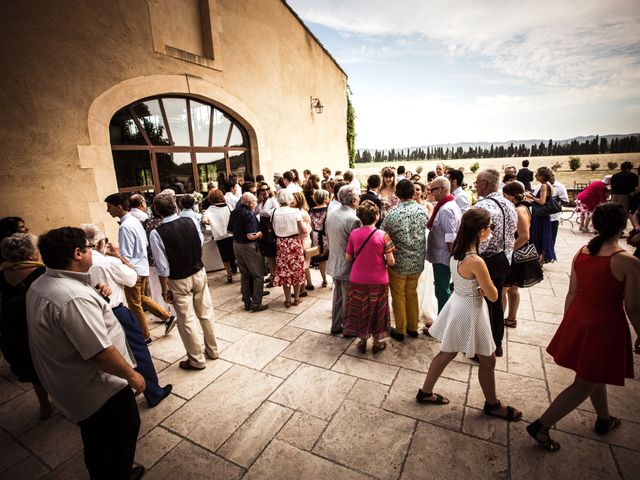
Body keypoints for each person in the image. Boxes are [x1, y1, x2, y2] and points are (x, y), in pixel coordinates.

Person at [27, 227, 146, 480]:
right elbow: (99, 352)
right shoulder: (73, 297)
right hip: (100, 388)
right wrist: (132, 376)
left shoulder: (43, 283)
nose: (93, 250)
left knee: (96, 439)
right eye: (89, 247)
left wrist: (95, 292)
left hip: (73, 386)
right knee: (122, 432)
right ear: (77, 253)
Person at [527, 203, 640, 452]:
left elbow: (571, 293)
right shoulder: (628, 261)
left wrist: (569, 323)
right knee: (584, 382)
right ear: (623, 226)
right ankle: (542, 426)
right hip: (604, 325)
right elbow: (633, 307)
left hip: (581, 317)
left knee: (594, 374)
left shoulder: (582, 252)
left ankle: (604, 418)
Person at [417, 209, 523, 423]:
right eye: (490, 227)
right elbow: (493, 296)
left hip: (459, 302)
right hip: (471, 308)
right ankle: (492, 404)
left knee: (449, 352)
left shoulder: (458, 249)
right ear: (481, 231)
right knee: (487, 358)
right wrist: (488, 287)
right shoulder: (475, 260)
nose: (491, 231)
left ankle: (426, 391)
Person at [81, 223, 173, 408]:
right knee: (138, 351)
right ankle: (153, 392)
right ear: (100, 243)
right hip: (115, 311)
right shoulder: (108, 262)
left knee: (112, 353)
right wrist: (119, 256)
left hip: (91, 314)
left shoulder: (79, 265)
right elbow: (133, 278)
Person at [149, 193, 219, 370]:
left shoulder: (157, 233)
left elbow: (162, 267)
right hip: (198, 271)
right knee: (206, 313)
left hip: (178, 278)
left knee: (186, 320)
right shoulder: (190, 221)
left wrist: (165, 290)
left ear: (157, 211)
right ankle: (213, 350)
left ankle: (196, 360)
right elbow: (200, 242)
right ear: (175, 205)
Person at [105, 193, 174, 342]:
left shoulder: (125, 226)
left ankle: (145, 336)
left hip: (134, 270)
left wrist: (114, 254)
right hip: (141, 267)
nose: (107, 210)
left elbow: (126, 255)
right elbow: (145, 244)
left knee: (134, 304)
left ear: (119, 207)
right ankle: (167, 317)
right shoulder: (135, 220)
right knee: (141, 298)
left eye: (109, 207)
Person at [0, 233, 54, 419]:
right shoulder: (42, 274)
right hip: (39, 327)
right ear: (31, 254)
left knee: (33, 369)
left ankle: (44, 405)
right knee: (51, 365)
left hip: (15, 330)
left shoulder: (3, 273)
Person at [474, 169, 517, 358]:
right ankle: (497, 344)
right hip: (504, 260)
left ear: (484, 183)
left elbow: (481, 240)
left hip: (487, 262)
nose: (475, 186)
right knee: (496, 301)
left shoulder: (483, 206)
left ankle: (483, 349)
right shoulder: (509, 204)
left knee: (482, 306)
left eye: (476, 182)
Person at [344, 200, 395, 353]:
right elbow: (391, 261)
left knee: (360, 308)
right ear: (377, 216)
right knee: (379, 310)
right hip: (378, 280)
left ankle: (362, 340)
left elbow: (348, 258)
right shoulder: (383, 235)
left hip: (357, 278)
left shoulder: (354, 234)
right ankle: (377, 342)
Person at [381, 179, 428, 341]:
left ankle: (400, 329)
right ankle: (413, 327)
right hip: (417, 260)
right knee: (412, 293)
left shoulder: (392, 214)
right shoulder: (422, 211)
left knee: (398, 295)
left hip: (398, 262)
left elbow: (382, 235)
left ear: (397, 194)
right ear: (413, 193)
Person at [501, 182, 543, 328]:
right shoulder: (525, 206)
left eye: (505, 195)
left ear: (512, 196)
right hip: (519, 253)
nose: (504, 198)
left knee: (503, 290)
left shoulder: (519, 210)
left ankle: (499, 321)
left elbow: (524, 236)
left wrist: (508, 251)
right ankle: (511, 319)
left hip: (517, 255)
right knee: (513, 289)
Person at [326, 185, 362, 334]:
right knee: (348, 298)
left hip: (334, 261)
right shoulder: (353, 219)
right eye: (358, 196)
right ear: (354, 200)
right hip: (347, 264)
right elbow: (355, 247)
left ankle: (335, 326)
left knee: (338, 296)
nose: (360, 198)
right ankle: (349, 329)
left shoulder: (332, 213)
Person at [426, 177, 462, 314]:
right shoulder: (446, 205)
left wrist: (452, 258)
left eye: (432, 190)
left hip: (443, 257)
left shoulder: (446, 209)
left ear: (441, 189)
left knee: (442, 291)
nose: (431, 193)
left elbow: (450, 236)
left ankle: (444, 323)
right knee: (441, 289)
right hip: (441, 255)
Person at [230, 193, 269, 312]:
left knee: (245, 274)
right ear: (249, 203)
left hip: (236, 245)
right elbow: (251, 236)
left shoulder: (235, 211)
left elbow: (229, 230)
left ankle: (247, 302)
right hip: (248, 246)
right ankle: (256, 303)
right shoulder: (249, 214)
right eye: (254, 202)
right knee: (258, 275)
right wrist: (260, 234)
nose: (255, 204)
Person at [271, 190, 307, 307]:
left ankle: (287, 300)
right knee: (296, 270)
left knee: (284, 271)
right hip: (294, 242)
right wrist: (301, 236)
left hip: (280, 243)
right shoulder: (295, 211)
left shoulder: (274, 212)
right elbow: (304, 229)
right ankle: (296, 298)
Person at [204, 189, 237, 283]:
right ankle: (234, 266)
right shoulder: (228, 206)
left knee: (224, 255)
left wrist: (212, 222)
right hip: (230, 233)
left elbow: (205, 220)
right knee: (233, 252)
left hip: (219, 235)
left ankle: (229, 274)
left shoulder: (210, 209)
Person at [525, 166, 556, 263]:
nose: (535, 176)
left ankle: (540, 259)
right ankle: (541, 258)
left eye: (537, 174)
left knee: (539, 235)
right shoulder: (548, 185)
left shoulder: (544, 186)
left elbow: (542, 201)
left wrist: (531, 197)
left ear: (542, 176)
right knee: (543, 235)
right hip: (543, 215)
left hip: (540, 215)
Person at [254, 181, 279, 285]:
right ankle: (272, 273)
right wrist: (258, 202)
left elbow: (276, 212)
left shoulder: (272, 200)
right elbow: (254, 212)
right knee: (267, 253)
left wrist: (264, 212)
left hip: (270, 227)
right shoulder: (260, 201)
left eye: (266, 189)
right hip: (262, 227)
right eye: (262, 190)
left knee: (272, 252)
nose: (264, 191)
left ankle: (274, 275)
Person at [292, 192, 313, 296]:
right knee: (305, 264)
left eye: (293, 199)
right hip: (304, 239)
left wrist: (297, 240)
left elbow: (306, 230)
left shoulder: (301, 212)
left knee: (302, 264)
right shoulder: (302, 211)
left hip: (303, 240)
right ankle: (308, 285)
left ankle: (302, 289)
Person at [309, 189, 330, 288]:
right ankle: (333, 282)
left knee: (321, 260)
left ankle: (324, 280)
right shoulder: (328, 209)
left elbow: (312, 225)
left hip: (316, 235)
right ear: (325, 198)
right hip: (327, 235)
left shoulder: (312, 210)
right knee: (330, 258)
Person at [548, 172, 569, 257]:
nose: (551, 179)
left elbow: (566, 202)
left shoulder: (560, 186)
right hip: (543, 215)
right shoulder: (541, 185)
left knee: (551, 237)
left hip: (553, 216)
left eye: (552, 177)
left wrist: (553, 199)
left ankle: (549, 255)